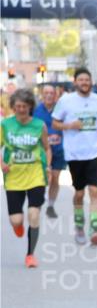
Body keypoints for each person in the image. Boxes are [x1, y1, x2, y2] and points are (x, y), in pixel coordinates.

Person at [52, 68, 97, 246]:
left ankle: (95, 228)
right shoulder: (66, 100)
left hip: (94, 151)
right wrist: (69, 125)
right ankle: (79, 225)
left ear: (91, 82)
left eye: (87, 80)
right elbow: (55, 122)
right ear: (75, 82)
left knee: (94, 190)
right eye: (81, 80)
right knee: (79, 193)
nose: (84, 83)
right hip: (75, 153)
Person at [2, 88, 51, 268]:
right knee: (16, 219)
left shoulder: (39, 125)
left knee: (34, 214)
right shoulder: (6, 125)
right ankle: (18, 226)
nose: (21, 110)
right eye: (18, 106)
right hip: (13, 177)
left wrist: (47, 166)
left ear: (30, 107)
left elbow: (46, 148)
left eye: (24, 106)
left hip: (35, 174)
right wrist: (2, 164)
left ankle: (30, 254)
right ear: (13, 107)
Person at [34, 84, 66, 219]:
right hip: (42, 149)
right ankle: (38, 201)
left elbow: (67, 125)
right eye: (46, 93)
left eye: (51, 93)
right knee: (45, 177)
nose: (48, 95)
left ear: (56, 95)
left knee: (55, 177)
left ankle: (51, 206)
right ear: (42, 94)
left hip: (58, 149)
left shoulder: (62, 109)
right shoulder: (36, 110)